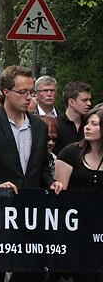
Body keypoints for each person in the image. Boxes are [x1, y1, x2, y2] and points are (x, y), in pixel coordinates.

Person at [0, 65, 63, 282]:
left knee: (31, 274)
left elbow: (41, 168)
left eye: (32, 92)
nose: (29, 97)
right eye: (24, 92)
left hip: (30, 215)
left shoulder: (39, 126)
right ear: (6, 92)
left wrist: (51, 183)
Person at [54, 104, 103, 282]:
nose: (88, 127)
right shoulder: (71, 152)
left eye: (95, 124)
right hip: (75, 226)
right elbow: (60, 193)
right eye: (87, 123)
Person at [56, 81, 93, 153]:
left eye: (89, 100)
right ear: (71, 102)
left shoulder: (90, 125)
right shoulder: (56, 125)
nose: (89, 103)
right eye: (84, 100)